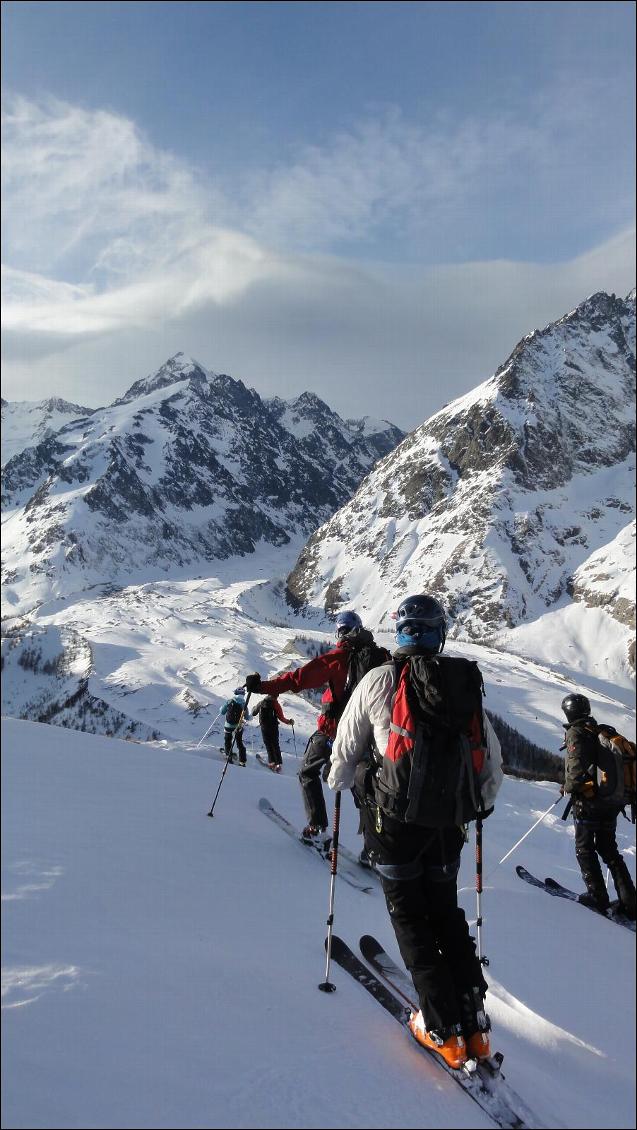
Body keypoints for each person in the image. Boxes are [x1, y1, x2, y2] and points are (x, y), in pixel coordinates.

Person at [328, 594, 503, 1070]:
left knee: (411, 920)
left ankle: (440, 1027)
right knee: (446, 913)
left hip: (394, 826)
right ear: (439, 633)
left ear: (399, 633)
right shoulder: (462, 686)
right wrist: (475, 807)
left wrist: (345, 784)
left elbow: (343, 754)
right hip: (449, 828)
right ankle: (476, 1026)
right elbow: (492, 767)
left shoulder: (379, 680)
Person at [245, 611, 389, 844]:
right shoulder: (381, 656)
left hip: (334, 731)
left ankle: (317, 827)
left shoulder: (338, 658)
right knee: (362, 787)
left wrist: (261, 687)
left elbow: (298, 679)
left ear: (339, 632)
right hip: (368, 736)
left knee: (307, 772)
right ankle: (375, 845)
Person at [561, 692, 636, 918]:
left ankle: (597, 898)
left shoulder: (576, 732)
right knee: (609, 849)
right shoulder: (600, 730)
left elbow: (575, 770)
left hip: (589, 802)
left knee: (584, 848)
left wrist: (568, 787)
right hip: (612, 802)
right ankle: (630, 902)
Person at [251, 695, 294, 771]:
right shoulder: (275, 704)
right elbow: (281, 717)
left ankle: (272, 762)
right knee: (275, 744)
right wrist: (289, 722)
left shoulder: (261, 703)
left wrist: (253, 708)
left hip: (264, 726)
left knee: (268, 744)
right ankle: (278, 763)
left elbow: (253, 713)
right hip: (274, 726)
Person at [220, 687, 251, 766]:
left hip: (228, 725)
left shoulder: (230, 701)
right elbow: (247, 717)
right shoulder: (244, 704)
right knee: (239, 743)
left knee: (228, 740)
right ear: (243, 694)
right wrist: (251, 716)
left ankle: (228, 756)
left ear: (235, 693)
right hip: (238, 726)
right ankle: (242, 761)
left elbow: (222, 712)